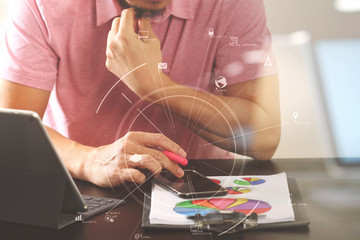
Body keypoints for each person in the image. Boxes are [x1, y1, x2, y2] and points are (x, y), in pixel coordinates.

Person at [0, 0, 281, 187]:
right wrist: (90, 160)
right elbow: (11, 131)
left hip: (200, 187)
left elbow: (265, 138)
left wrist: (155, 86)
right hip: (82, 185)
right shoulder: (40, 4)